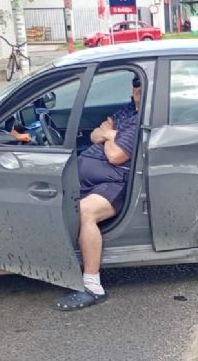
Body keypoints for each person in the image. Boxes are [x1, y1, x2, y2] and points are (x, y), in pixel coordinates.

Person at [54, 74, 142, 311]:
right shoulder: (127, 111)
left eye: (142, 86)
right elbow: (94, 133)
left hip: (115, 183)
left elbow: (116, 156)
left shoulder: (140, 119)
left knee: (85, 212)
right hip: (93, 177)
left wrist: (110, 134)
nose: (137, 89)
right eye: (135, 84)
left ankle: (93, 285)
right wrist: (109, 136)